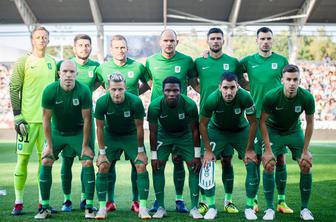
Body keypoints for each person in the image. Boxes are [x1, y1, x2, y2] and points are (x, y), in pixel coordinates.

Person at [34, 60, 95, 219]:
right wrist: (48, 145)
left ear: (77, 74)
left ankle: (88, 207)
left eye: (72, 72)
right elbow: (46, 119)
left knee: (87, 160)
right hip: (57, 132)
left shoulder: (84, 91)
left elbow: (88, 120)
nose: (68, 75)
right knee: (46, 160)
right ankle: (44, 208)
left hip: (78, 131)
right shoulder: (49, 90)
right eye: (65, 71)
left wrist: (85, 145)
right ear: (59, 73)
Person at [96, 34, 150, 213]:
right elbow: (92, 84)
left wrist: (130, 95)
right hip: (112, 129)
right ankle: (108, 202)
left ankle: (137, 202)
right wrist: (113, 94)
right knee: (106, 165)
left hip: (131, 127)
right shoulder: (102, 68)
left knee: (138, 164)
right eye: (116, 47)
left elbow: (150, 84)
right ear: (111, 50)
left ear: (127, 48)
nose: (120, 50)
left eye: (123, 47)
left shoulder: (138, 66)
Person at [146, 29, 198, 213]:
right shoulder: (150, 61)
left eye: (172, 40)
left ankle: (179, 199)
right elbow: (150, 83)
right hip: (160, 121)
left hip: (182, 121)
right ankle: (158, 202)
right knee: (159, 163)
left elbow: (194, 81)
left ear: (177, 42)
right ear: (160, 42)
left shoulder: (187, 61)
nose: (169, 43)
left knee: (179, 161)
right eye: (165, 40)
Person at [240, 27, 291, 213]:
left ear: (272, 40)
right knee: (255, 158)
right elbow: (233, 72)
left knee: (280, 159)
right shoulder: (247, 61)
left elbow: (287, 82)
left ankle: (281, 201)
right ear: (257, 40)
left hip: (277, 119)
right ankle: (253, 201)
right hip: (256, 118)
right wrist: (248, 86)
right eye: (262, 38)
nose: (266, 41)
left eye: (269, 38)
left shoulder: (281, 60)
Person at [9, 26, 57, 215]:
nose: (41, 40)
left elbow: (55, 92)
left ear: (48, 40)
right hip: (27, 122)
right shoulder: (23, 61)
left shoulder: (52, 63)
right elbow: (13, 88)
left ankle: (41, 202)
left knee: (44, 161)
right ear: (32, 40)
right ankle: (18, 201)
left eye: (44, 37)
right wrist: (17, 115)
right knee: (22, 160)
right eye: (38, 37)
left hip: (47, 123)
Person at [195, 27, 243, 214]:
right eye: (212, 38)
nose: (215, 41)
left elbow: (241, 83)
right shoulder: (199, 61)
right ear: (207, 41)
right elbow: (191, 80)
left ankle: (228, 201)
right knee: (205, 161)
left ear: (223, 41)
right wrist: (204, 93)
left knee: (227, 160)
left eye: (218, 38)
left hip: (229, 120)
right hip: (207, 118)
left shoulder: (233, 62)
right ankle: (206, 201)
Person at [200, 72, 259, 220]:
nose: (229, 92)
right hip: (217, 130)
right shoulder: (212, 99)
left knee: (252, 162)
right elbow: (202, 124)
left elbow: (253, 122)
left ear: (237, 87)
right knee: (207, 164)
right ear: (220, 87)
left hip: (240, 130)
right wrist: (207, 150)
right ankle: (211, 206)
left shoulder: (245, 97)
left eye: (232, 87)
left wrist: (250, 149)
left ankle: (249, 207)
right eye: (225, 88)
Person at [260, 64, 315, 221]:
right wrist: (268, 149)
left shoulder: (307, 97)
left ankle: (305, 209)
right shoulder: (271, 96)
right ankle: (269, 208)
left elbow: (310, 123)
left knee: (305, 163)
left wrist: (305, 150)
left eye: (295, 80)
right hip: (273, 131)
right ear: (282, 80)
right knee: (269, 163)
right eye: (288, 79)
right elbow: (262, 122)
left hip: (293, 131)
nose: (292, 83)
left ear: (299, 80)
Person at [147, 76, 202, 219]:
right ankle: (160, 207)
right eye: (168, 90)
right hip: (164, 134)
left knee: (194, 167)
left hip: (184, 135)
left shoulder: (189, 104)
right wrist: (153, 156)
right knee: (157, 166)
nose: (172, 94)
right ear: (163, 91)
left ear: (181, 91)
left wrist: (197, 155)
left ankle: (195, 207)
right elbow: (152, 132)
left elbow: (195, 130)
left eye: (175, 90)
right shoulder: (154, 106)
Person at [57, 34, 101, 212]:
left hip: (86, 122)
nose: (84, 48)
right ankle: (67, 200)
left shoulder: (96, 67)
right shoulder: (65, 66)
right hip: (66, 121)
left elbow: (99, 84)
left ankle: (85, 198)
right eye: (81, 45)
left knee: (87, 160)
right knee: (66, 162)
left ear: (91, 48)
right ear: (74, 48)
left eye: (87, 45)